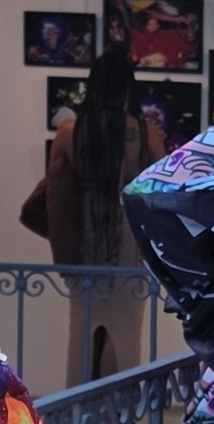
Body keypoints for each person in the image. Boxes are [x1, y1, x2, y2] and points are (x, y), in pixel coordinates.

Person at [22, 37, 170, 373]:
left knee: (84, 325)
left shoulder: (70, 132)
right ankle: (119, 402)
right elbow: (163, 183)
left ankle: (79, 399)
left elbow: (55, 185)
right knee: (125, 328)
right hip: (130, 237)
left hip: (83, 233)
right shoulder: (146, 133)